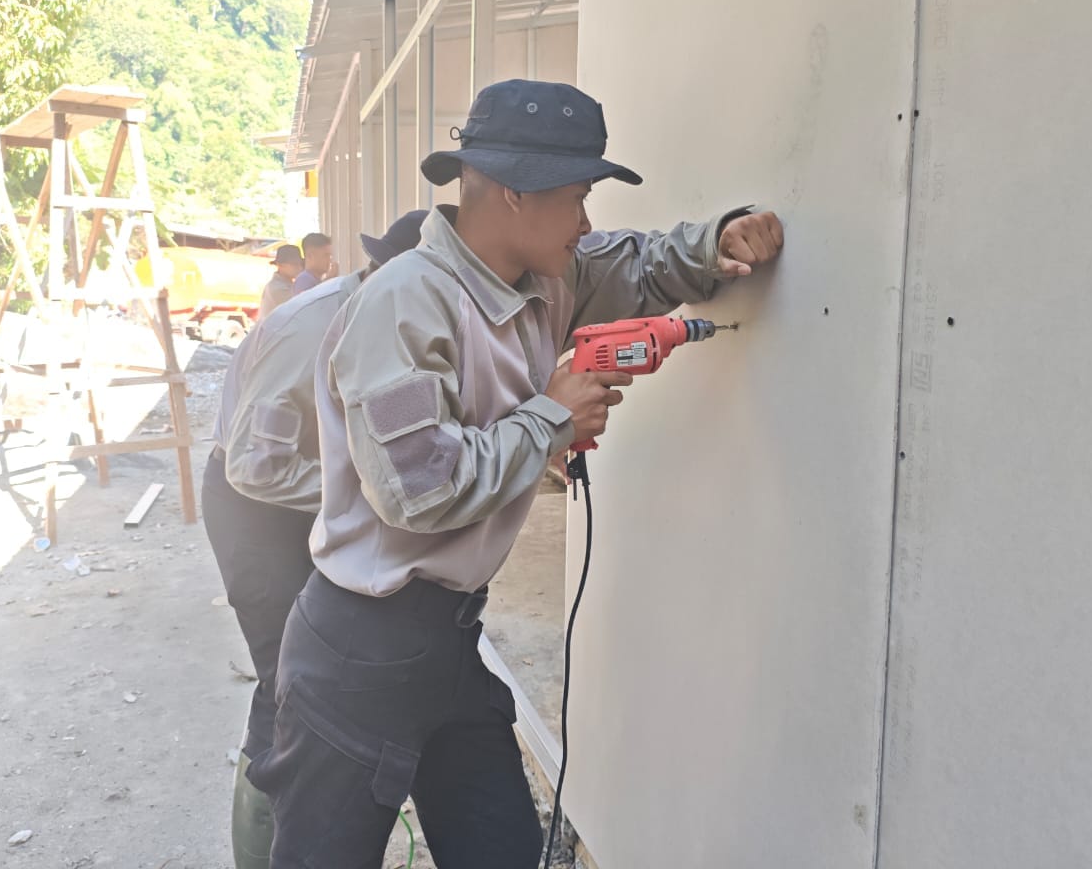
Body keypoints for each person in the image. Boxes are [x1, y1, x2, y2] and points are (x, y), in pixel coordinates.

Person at [247, 79, 785, 868]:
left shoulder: (547, 282)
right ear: (513, 191)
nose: (585, 221)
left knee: (500, 847)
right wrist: (549, 418)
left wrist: (718, 242)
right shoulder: (407, 303)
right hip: (361, 653)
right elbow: (416, 491)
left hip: (450, 643)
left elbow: (637, 265)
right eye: (576, 198)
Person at [203, 210, 430, 869]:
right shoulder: (311, 329)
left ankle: (320, 823)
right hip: (255, 504)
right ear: (393, 276)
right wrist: (370, 492)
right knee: (287, 680)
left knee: (334, 669)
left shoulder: (406, 325)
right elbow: (256, 466)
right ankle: (266, 850)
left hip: (315, 492)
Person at [259, 244, 304, 320]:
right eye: (294, 264)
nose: (299, 267)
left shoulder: (287, 284)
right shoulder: (277, 288)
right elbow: (299, 308)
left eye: (300, 264)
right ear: (280, 265)